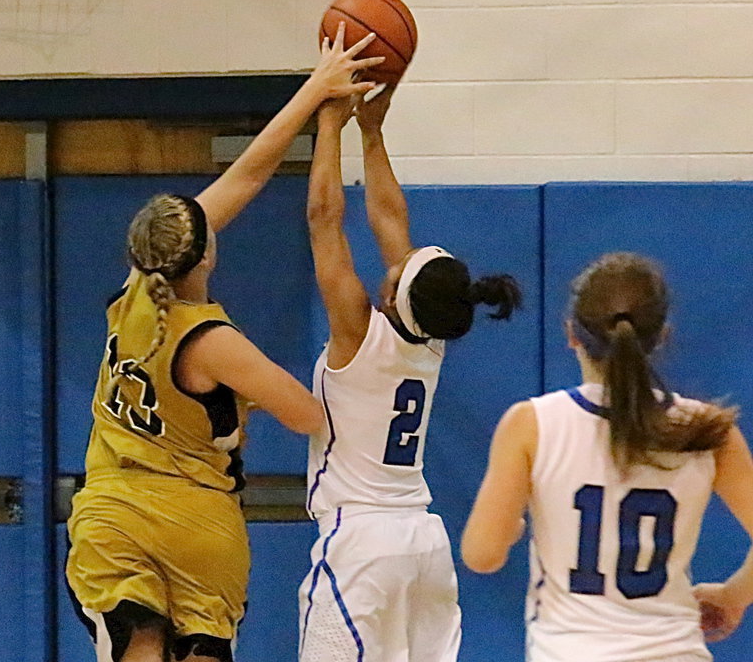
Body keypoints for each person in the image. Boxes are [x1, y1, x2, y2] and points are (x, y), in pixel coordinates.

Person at [64, 24, 384, 662]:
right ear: (206, 251)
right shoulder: (213, 342)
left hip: (113, 508)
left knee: (139, 641)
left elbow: (241, 180)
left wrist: (312, 90)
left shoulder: (134, 291)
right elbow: (308, 415)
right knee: (203, 644)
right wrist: (248, 400)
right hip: (199, 521)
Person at [299, 87, 521, 662]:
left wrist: (329, 125)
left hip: (361, 543)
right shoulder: (432, 337)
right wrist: (372, 132)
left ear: (396, 293)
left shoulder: (358, 332)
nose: (392, 261)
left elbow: (325, 219)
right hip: (424, 543)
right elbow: (390, 218)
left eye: (397, 268)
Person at [461, 252, 753, 661]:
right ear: (663, 335)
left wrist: (510, 526)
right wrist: (733, 596)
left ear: (571, 333)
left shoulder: (531, 424)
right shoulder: (707, 428)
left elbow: (482, 555)